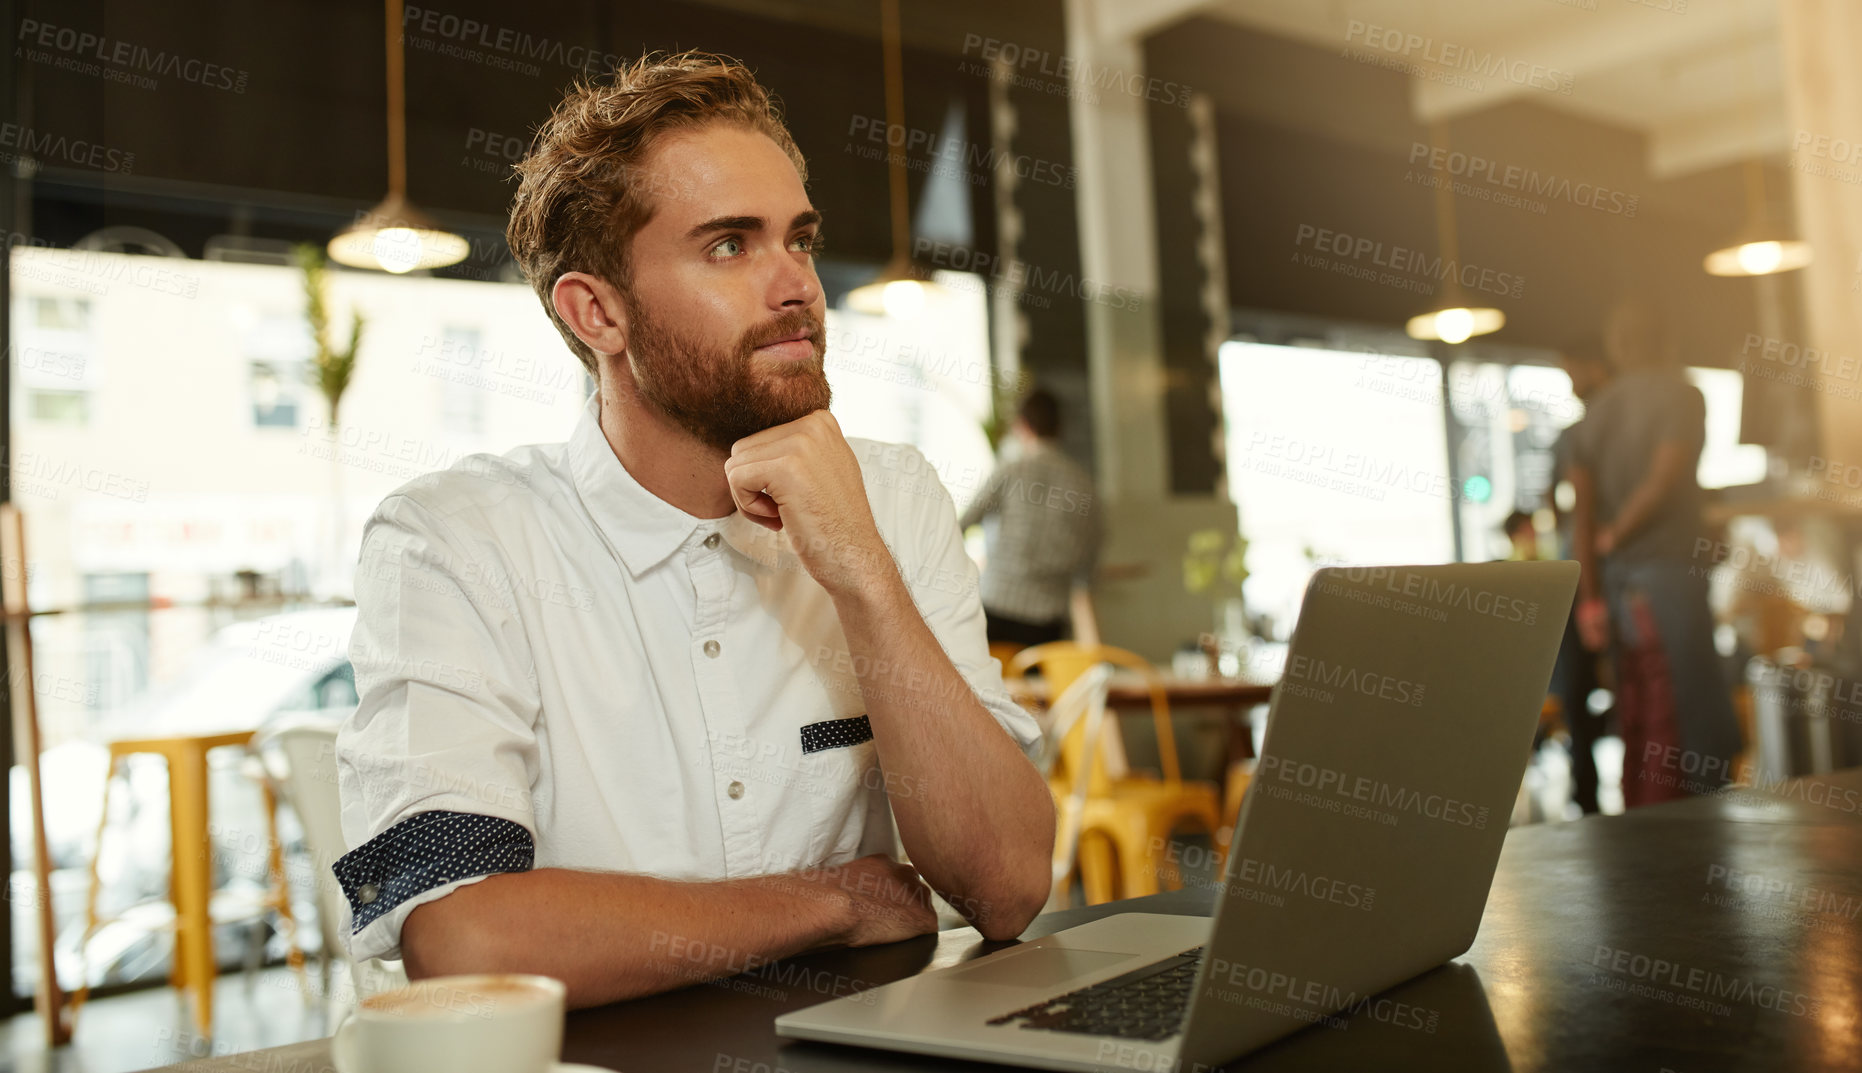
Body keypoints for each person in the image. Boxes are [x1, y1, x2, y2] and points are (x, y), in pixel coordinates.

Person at [331, 51, 1055, 1009]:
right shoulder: (453, 539)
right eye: (729, 245)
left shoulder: (893, 496)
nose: (796, 282)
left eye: (800, 238)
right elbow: (465, 935)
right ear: (599, 313)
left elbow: (1005, 886)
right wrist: (833, 901)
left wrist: (862, 577)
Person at [1569, 301, 1740, 807]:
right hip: (1669, 578)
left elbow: (1581, 515)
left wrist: (1591, 600)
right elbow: (1665, 479)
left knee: (1640, 709)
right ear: (1667, 341)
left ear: (1617, 348)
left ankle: (1646, 829)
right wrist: (1619, 533)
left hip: (1619, 590)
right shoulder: (1683, 397)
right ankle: (1693, 835)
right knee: (1684, 712)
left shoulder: (1591, 418)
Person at [957, 389, 1103, 647]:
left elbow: (962, 525)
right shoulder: (1084, 484)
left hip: (994, 608)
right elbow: (1091, 553)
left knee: (987, 686)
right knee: (1037, 688)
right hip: (1047, 621)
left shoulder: (1010, 471)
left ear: (1021, 426)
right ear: (1059, 428)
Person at [1547, 343, 1613, 814]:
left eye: (1575, 369)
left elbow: (1570, 506)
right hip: (1587, 571)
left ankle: (1586, 792)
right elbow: (1567, 505)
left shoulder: (1582, 435)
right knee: (1579, 687)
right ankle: (1585, 790)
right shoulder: (1573, 436)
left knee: (1581, 687)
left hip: (1589, 569)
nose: (1572, 381)